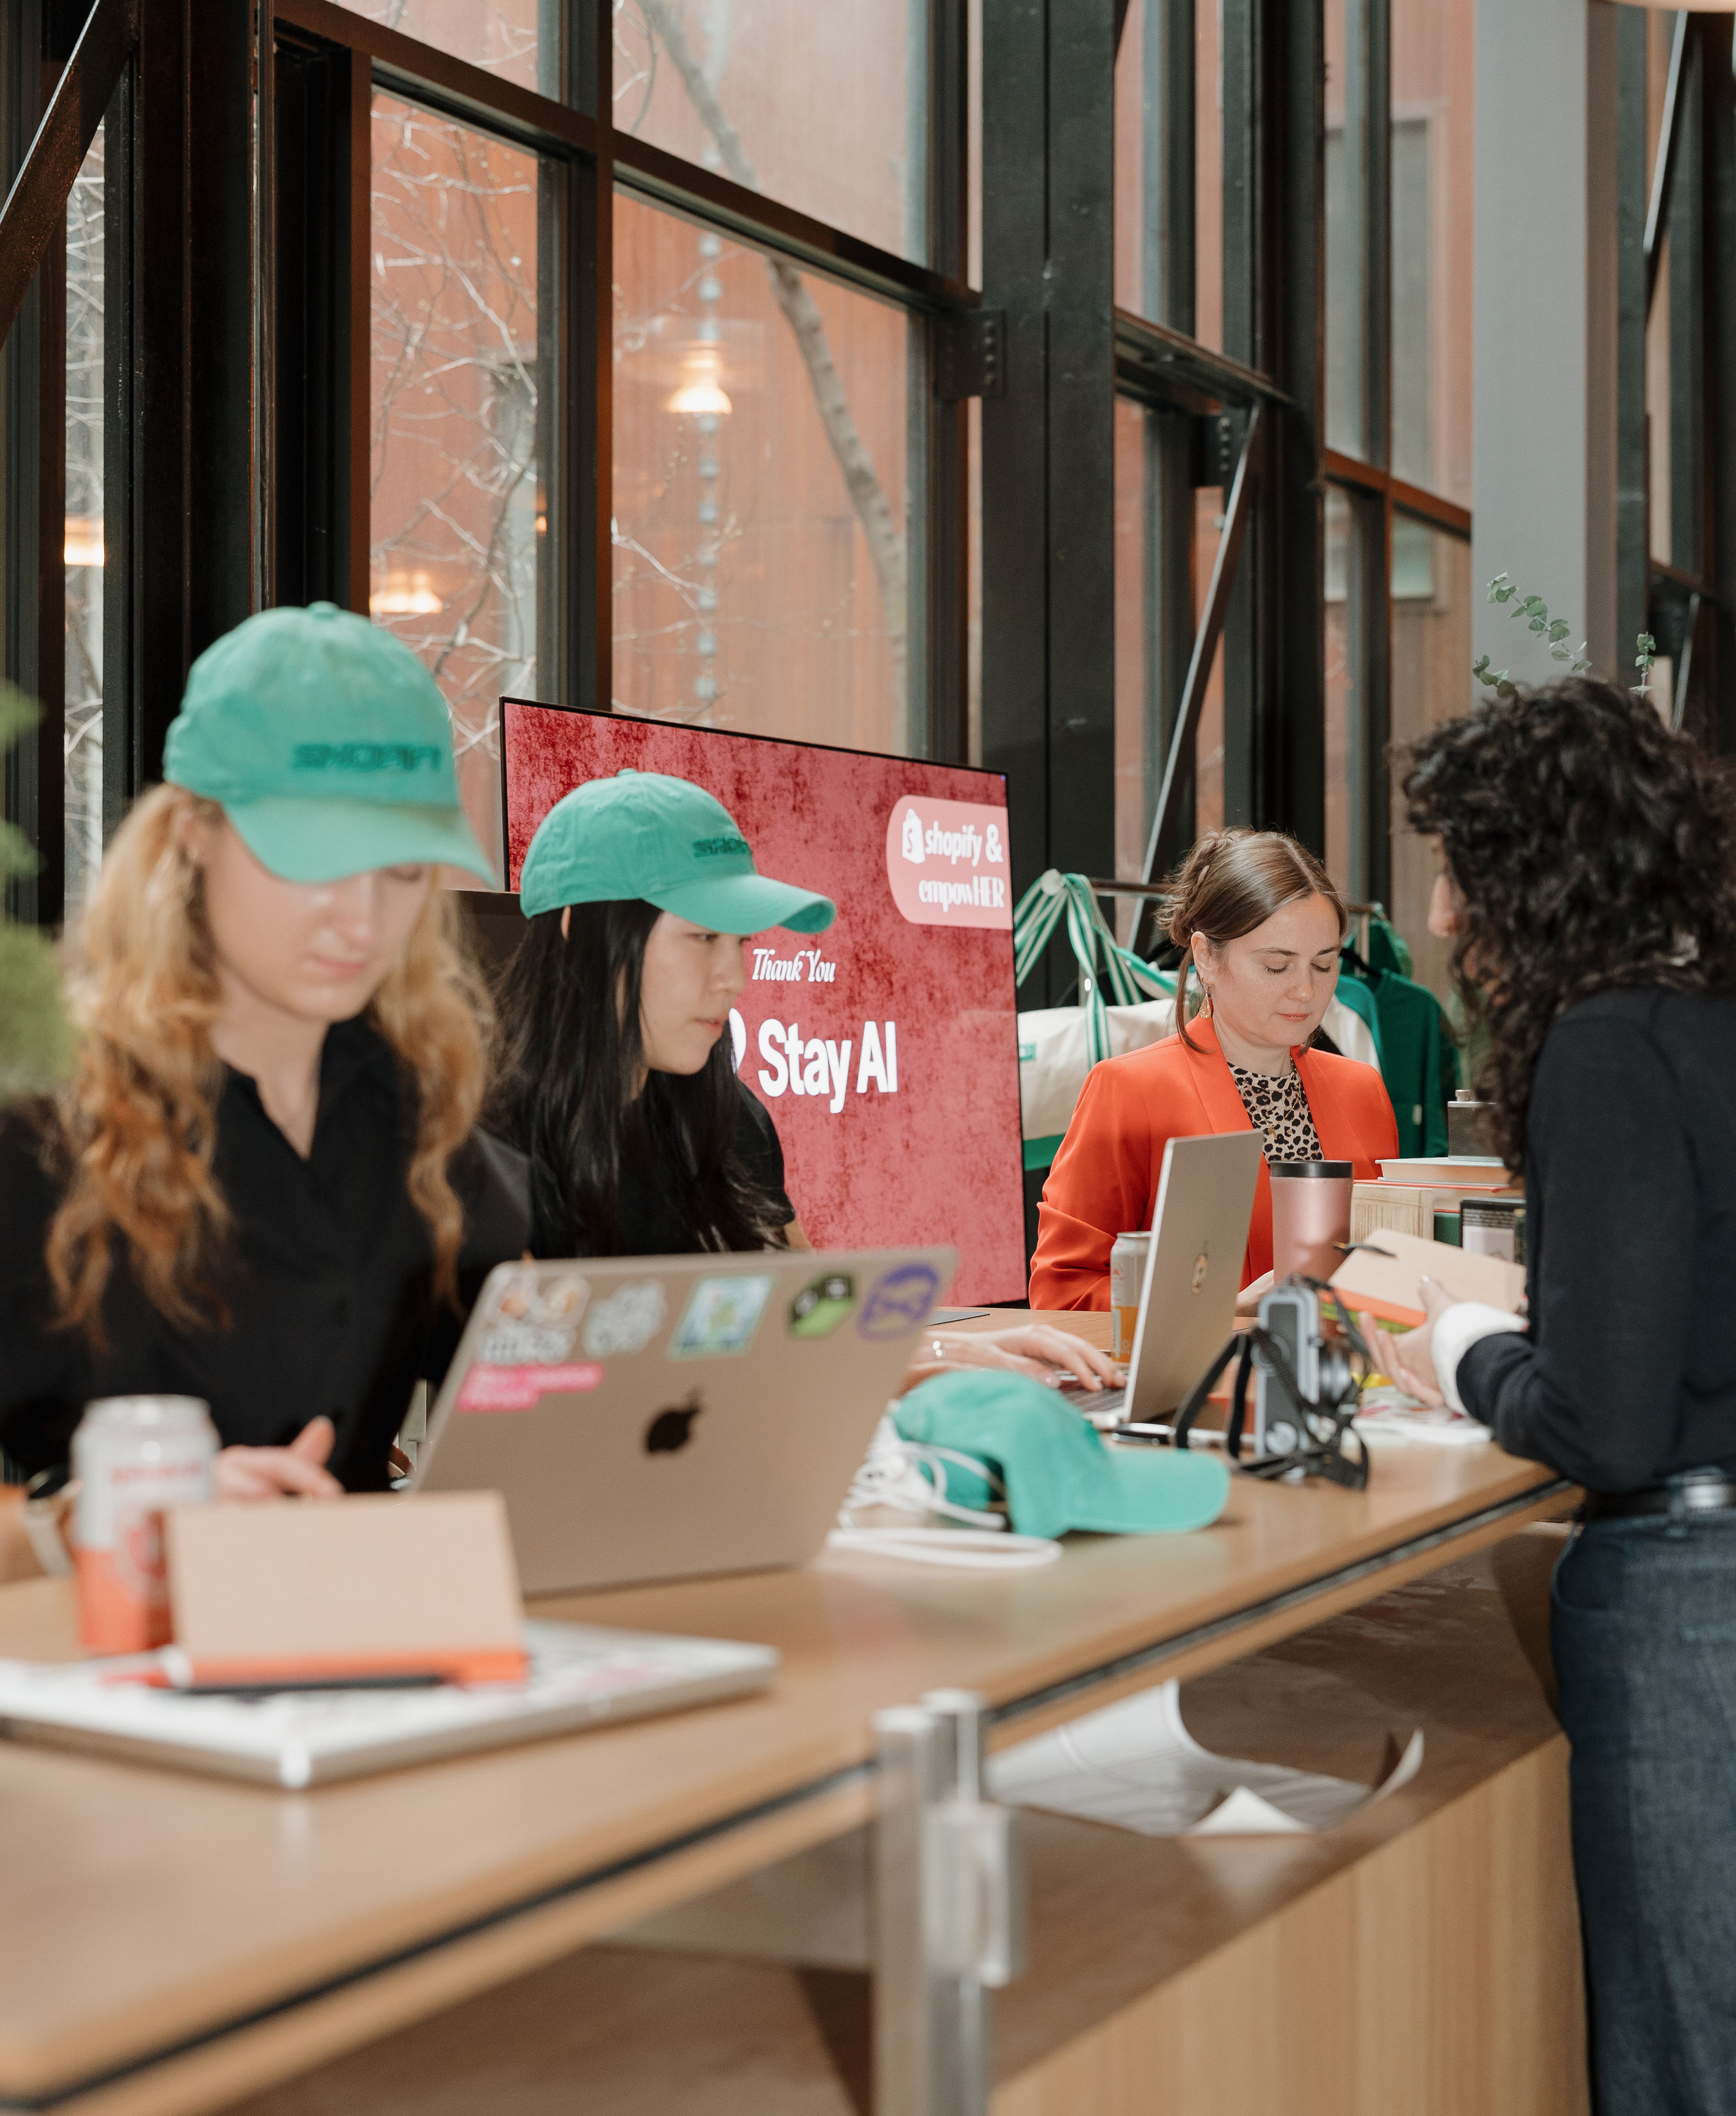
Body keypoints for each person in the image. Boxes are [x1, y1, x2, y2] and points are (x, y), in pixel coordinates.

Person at [1363, 679, 1736, 2116]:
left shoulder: (1606, 1049)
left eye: (1465, 862)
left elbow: (1600, 1421)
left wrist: (1456, 1341)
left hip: (1705, 1662)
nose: (1448, 907)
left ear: (1548, 864)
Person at [0, 603, 529, 1501]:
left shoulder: (421, 1121)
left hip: (363, 1627)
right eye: (316, 860)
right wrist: (114, 1513)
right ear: (191, 836)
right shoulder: (36, 1127)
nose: (363, 923)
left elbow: (536, 1411)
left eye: (402, 871)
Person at [489, 769, 1123, 1392]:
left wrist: (959, 1348)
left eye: (738, 942)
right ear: (580, 928)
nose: (732, 979)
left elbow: (815, 1321)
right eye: (702, 937)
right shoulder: (477, 1144)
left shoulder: (726, 1116)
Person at [1031, 830, 1399, 1309]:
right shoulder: (1129, 1089)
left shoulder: (1360, 1089)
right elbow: (1064, 1291)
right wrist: (1217, 1305)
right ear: (1205, 956)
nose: (1306, 992)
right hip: (1200, 1380)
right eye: (1276, 966)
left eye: (1323, 965)